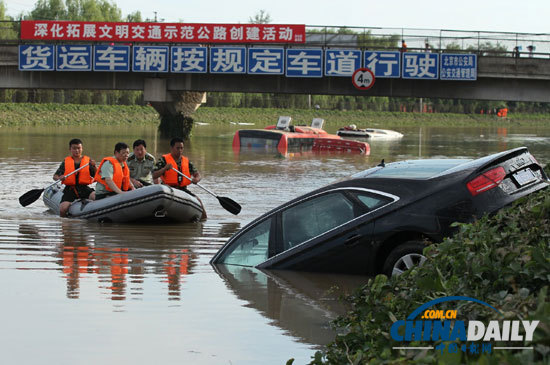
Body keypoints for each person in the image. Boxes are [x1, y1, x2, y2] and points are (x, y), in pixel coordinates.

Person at [153, 137, 207, 219]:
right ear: (171, 148)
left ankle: (204, 220)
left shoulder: (186, 161)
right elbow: (154, 175)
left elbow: (197, 174)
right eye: (177, 148)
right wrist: (164, 169)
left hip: (182, 189)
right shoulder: (163, 160)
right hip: (168, 190)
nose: (180, 150)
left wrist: (196, 179)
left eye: (182, 148)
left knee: (198, 201)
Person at [53, 138, 97, 217]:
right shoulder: (65, 162)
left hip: (84, 188)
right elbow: (55, 176)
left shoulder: (88, 161)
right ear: (70, 149)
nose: (77, 150)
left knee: (95, 196)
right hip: (70, 190)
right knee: (63, 208)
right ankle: (65, 224)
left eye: (79, 148)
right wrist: (60, 178)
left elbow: (96, 175)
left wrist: (94, 166)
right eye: (74, 148)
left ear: (82, 149)